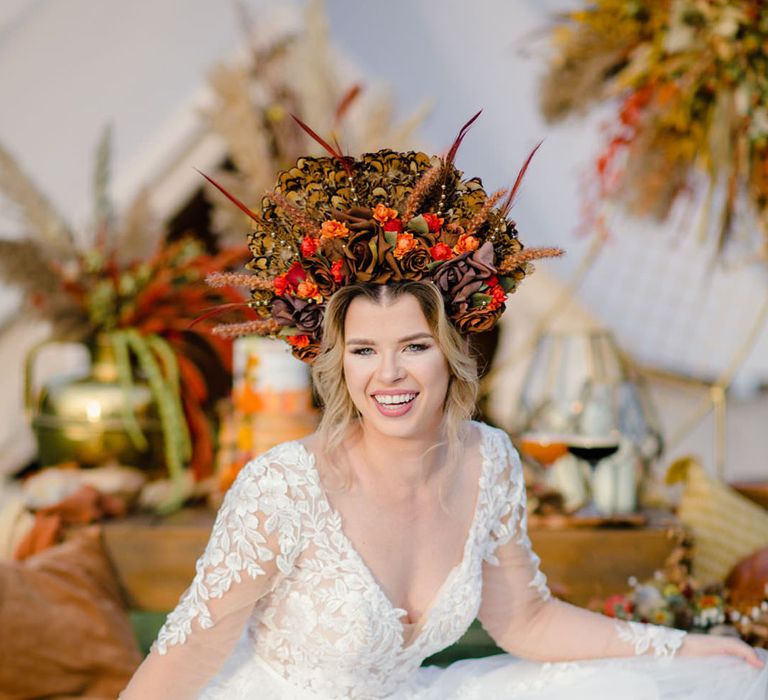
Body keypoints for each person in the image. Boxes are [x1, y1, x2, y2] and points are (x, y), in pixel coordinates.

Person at [121, 129, 768, 699]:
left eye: (414, 346)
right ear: (339, 362)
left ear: (452, 354)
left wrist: (680, 647)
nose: (389, 374)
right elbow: (189, 650)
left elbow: (529, 622)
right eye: (365, 350)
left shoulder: (489, 462)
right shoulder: (282, 489)